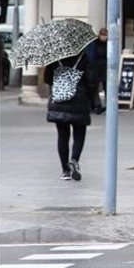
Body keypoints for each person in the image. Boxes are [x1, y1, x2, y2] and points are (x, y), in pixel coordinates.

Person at [45, 51, 98, 181]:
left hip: (59, 100)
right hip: (80, 100)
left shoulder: (55, 57)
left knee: (63, 136)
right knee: (79, 133)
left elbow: (47, 78)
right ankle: (74, 160)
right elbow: (91, 81)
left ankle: (65, 170)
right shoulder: (83, 58)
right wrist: (92, 99)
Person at [85, 28, 108, 114]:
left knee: (107, 86)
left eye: (105, 35)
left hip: (105, 68)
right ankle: (97, 105)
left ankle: (108, 105)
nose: (104, 37)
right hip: (94, 68)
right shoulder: (94, 43)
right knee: (94, 87)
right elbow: (91, 55)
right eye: (103, 35)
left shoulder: (108, 44)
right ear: (99, 35)